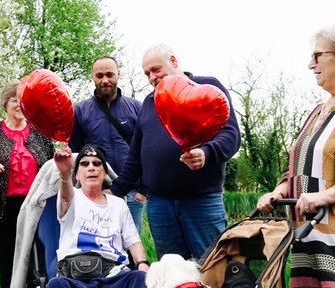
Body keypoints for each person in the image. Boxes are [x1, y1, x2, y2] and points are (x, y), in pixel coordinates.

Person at [107, 43, 241, 260]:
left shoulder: (207, 87)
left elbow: (231, 135)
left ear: (174, 61)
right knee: (172, 272)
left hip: (201, 202)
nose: (151, 77)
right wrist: (116, 190)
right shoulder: (149, 103)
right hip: (160, 205)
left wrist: (207, 152)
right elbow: (136, 155)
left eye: (156, 69)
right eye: (147, 73)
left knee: (211, 269)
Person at [257, 25, 335, 287]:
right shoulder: (317, 111)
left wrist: (322, 196)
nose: (310, 65)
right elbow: (296, 169)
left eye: (317, 56)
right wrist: (278, 192)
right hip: (308, 237)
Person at [0, 80, 54, 288]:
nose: (20, 105)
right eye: (15, 100)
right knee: (9, 265)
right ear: (5, 104)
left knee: (40, 263)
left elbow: (51, 168)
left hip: (38, 207)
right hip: (5, 211)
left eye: (24, 101)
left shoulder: (40, 133)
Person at [48, 144, 149, 288]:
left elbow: (133, 241)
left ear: (105, 173)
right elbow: (65, 198)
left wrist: (142, 263)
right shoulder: (71, 197)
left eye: (97, 163)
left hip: (114, 275)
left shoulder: (118, 204)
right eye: (84, 164)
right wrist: (65, 174)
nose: (91, 167)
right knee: (57, 284)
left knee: (139, 277)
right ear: (76, 174)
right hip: (75, 277)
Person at [68, 56, 145, 233]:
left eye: (109, 74)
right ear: (92, 77)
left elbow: (147, 151)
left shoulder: (136, 108)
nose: (105, 80)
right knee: (100, 247)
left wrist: (143, 191)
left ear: (118, 74)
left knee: (132, 247)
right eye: (99, 75)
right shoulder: (79, 111)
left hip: (132, 192)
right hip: (96, 192)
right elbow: (75, 153)